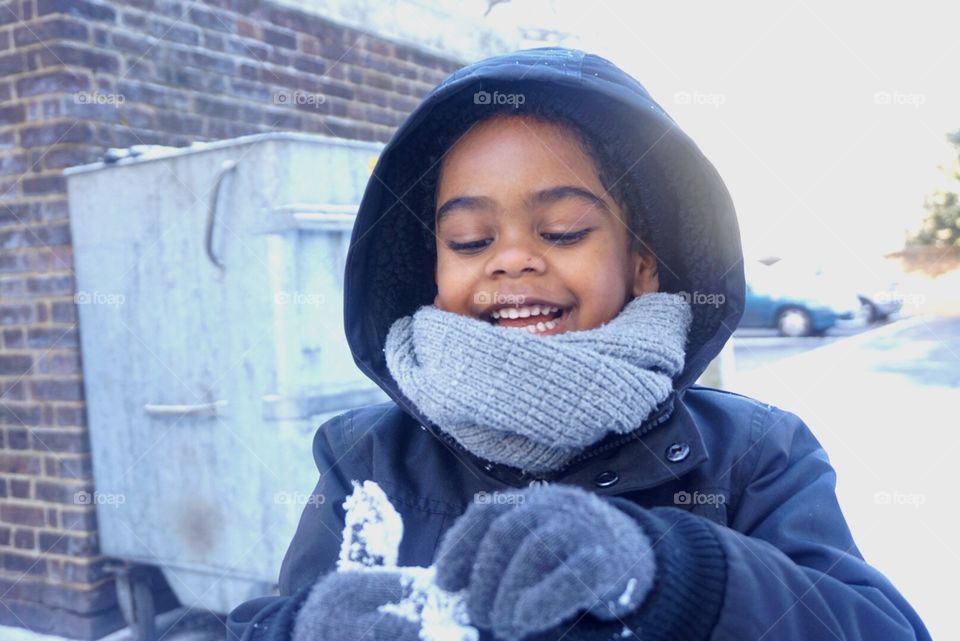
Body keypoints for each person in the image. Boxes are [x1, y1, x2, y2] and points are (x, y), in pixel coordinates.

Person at [226, 47, 931, 641]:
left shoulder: (753, 455)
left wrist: (677, 573)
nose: (511, 259)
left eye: (561, 229)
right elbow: (266, 620)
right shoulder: (364, 460)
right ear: (432, 275)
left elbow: (877, 624)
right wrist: (307, 626)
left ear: (643, 262)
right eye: (470, 240)